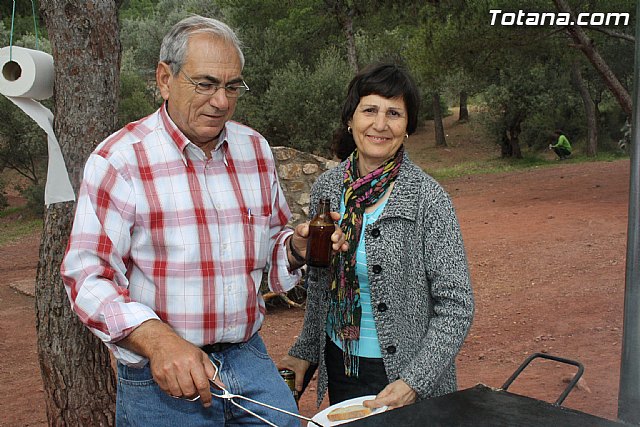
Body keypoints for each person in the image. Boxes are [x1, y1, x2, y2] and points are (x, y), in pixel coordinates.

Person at [60, 15, 346, 426]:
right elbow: (86, 276)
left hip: (248, 357)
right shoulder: (120, 160)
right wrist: (159, 342)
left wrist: (297, 248)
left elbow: (272, 241)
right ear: (164, 78)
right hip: (161, 378)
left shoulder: (254, 149)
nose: (222, 101)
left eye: (232, 87)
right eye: (205, 84)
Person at [279, 63, 474, 412]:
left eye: (394, 113)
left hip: (405, 378)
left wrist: (415, 381)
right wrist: (304, 352)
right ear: (350, 119)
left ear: (408, 127)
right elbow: (322, 283)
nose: (380, 124)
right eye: (370, 110)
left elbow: (457, 307)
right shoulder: (328, 188)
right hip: (342, 365)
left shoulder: (428, 199)